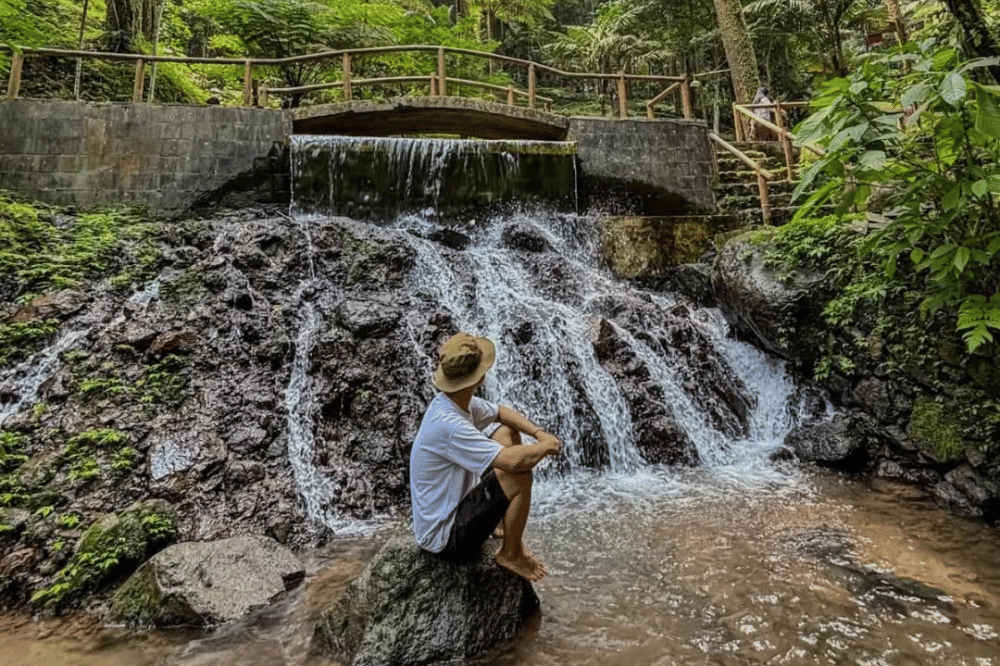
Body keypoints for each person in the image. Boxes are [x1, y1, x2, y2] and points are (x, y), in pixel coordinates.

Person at [410, 332, 562, 581]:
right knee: (519, 473)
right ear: (478, 378)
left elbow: (502, 413)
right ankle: (511, 554)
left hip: (454, 507)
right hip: (446, 538)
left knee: (506, 433)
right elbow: (514, 462)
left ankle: (499, 524)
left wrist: (538, 432)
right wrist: (545, 447)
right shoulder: (448, 425)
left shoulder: (455, 402)